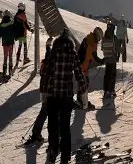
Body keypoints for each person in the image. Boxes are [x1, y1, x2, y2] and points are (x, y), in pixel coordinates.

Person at [43, 29, 88, 164]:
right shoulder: (72, 53)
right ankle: (65, 156)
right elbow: (79, 73)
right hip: (66, 96)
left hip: (52, 95)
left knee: (52, 125)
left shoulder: (53, 52)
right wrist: (83, 88)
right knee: (64, 126)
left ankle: (52, 151)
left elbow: (47, 73)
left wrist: (44, 92)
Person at [22, 37, 53, 147]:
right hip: (49, 93)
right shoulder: (52, 67)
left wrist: (48, 45)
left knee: (44, 112)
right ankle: (38, 133)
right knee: (49, 113)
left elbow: (48, 50)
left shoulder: (45, 63)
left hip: (43, 91)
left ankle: (37, 133)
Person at [76, 27, 104, 109]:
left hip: (83, 65)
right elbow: (91, 55)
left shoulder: (90, 39)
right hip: (82, 65)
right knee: (84, 83)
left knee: (84, 83)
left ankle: (81, 100)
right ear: (98, 35)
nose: (100, 39)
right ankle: (82, 102)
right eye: (100, 37)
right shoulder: (91, 41)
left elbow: (90, 55)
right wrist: (102, 61)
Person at [101, 21, 119, 98]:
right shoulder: (114, 37)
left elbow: (102, 48)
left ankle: (106, 91)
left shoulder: (104, 37)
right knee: (113, 74)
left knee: (107, 74)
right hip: (113, 58)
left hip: (106, 58)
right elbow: (117, 48)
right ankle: (111, 90)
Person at [0, 10, 15, 78]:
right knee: (10, 56)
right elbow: (14, 32)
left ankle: (4, 72)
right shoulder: (12, 23)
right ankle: (10, 72)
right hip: (11, 42)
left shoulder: (1, 24)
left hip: (5, 42)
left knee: (5, 57)